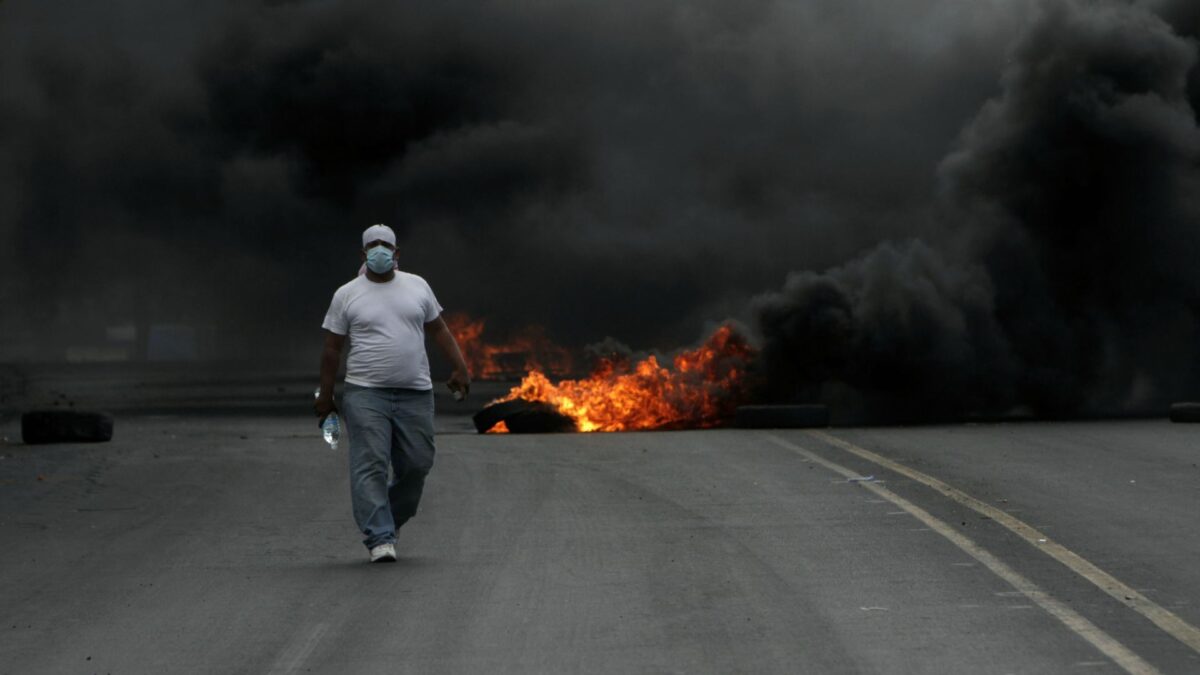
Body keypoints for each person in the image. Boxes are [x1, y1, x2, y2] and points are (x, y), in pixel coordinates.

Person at [314, 224, 471, 563]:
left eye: (386, 245)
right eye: (373, 245)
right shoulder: (347, 294)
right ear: (363, 253)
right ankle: (380, 537)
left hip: (415, 393)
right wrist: (325, 396)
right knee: (370, 464)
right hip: (365, 394)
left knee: (417, 464)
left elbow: (439, 330)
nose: (380, 249)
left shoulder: (418, 286)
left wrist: (460, 366)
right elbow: (332, 350)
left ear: (397, 253)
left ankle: (388, 517)